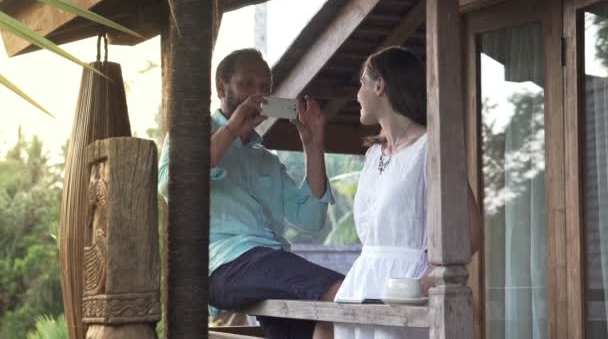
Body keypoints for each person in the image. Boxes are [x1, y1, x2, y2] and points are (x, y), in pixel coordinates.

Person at [158, 48, 343, 339]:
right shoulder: (189, 134)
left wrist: (313, 143)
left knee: (319, 326)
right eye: (247, 84)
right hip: (224, 267)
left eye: (265, 88)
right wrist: (231, 129)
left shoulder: (266, 159)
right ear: (221, 87)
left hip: (267, 266)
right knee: (341, 292)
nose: (258, 95)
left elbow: (310, 218)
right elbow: (173, 184)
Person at [333, 46, 482, 339]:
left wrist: (424, 284)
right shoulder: (373, 155)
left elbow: (472, 231)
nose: (357, 94)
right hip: (363, 283)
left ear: (380, 85)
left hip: (410, 287)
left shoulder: (432, 147)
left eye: (362, 83)